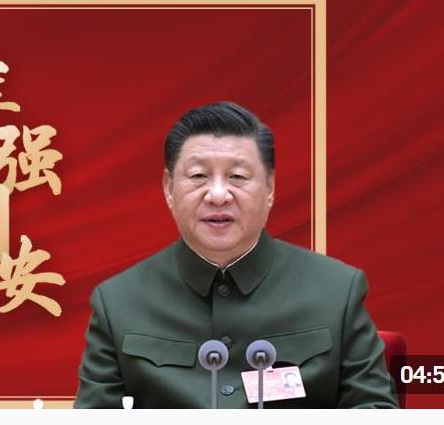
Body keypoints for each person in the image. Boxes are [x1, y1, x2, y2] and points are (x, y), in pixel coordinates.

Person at [74, 102, 398, 408]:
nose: (218, 195)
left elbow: (374, 408)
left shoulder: (337, 291)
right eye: (198, 176)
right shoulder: (117, 303)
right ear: (169, 188)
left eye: (238, 177)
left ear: (269, 188)